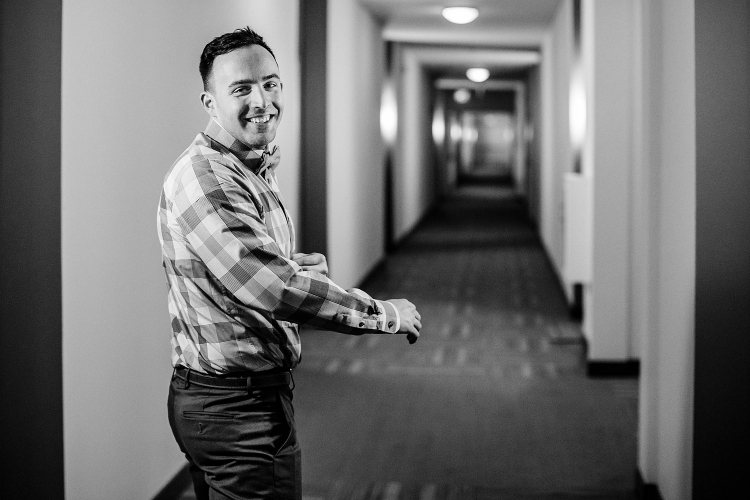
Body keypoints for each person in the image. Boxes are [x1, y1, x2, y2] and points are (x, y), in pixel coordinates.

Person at [157, 27, 422, 500]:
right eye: (241, 89)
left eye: (271, 83)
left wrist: (290, 267)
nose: (262, 101)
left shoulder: (247, 167)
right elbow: (271, 289)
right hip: (236, 407)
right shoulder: (208, 176)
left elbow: (247, 271)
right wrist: (382, 314)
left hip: (234, 399)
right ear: (210, 103)